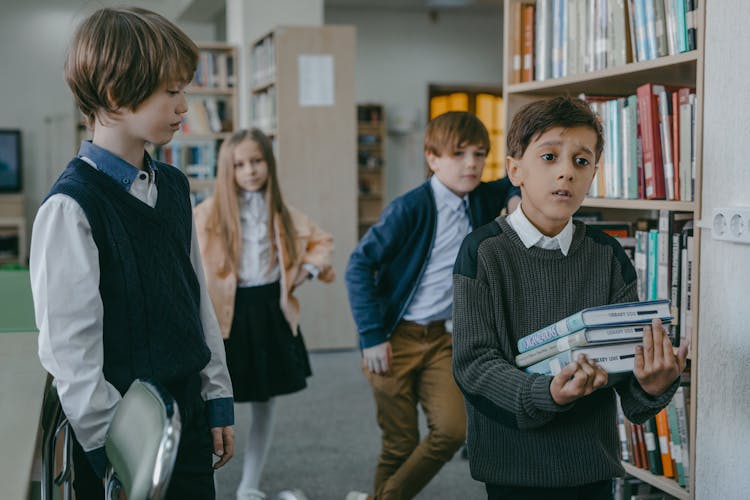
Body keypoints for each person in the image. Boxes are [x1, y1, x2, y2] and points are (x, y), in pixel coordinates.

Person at [29, 7, 234, 500]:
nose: (186, 105)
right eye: (172, 91)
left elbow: (194, 300)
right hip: (123, 437)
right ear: (118, 95)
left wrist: (217, 393)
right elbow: (71, 355)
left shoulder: (175, 186)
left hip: (184, 415)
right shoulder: (71, 207)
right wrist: (117, 455)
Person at [451, 96, 689, 500]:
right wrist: (547, 393)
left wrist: (652, 385)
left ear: (594, 173)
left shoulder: (608, 255)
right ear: (514, 169)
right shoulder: (483, 251)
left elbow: (628, 381)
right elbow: (474, 364)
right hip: (514, 466)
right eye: (548, 157)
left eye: (581, 162)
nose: (566, 173)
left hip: (591, 464)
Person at [344, 111, 521, 500]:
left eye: (479, 154)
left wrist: (513, 196)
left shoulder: (478, 197)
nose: (472, 164)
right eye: (459, 154)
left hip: (442, 338)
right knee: (400, 442)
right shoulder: (410, 208)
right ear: (433, 158)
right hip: (394, 337)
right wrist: (372, 335)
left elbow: (516, 176)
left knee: (453, 431)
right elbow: (358, 265)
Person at [193, 128, 335, 500]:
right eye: (240, 164)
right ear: (228, 170)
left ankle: (249, 484)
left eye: (257, 161)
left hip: (269, 311)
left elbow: (322, 241)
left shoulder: (280, 211)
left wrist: (305, 272)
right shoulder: (207, 214)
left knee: (264, 402)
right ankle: (201, 478)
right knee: (212, 397)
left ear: (268, 164)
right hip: (229, 315)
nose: (250, 171)